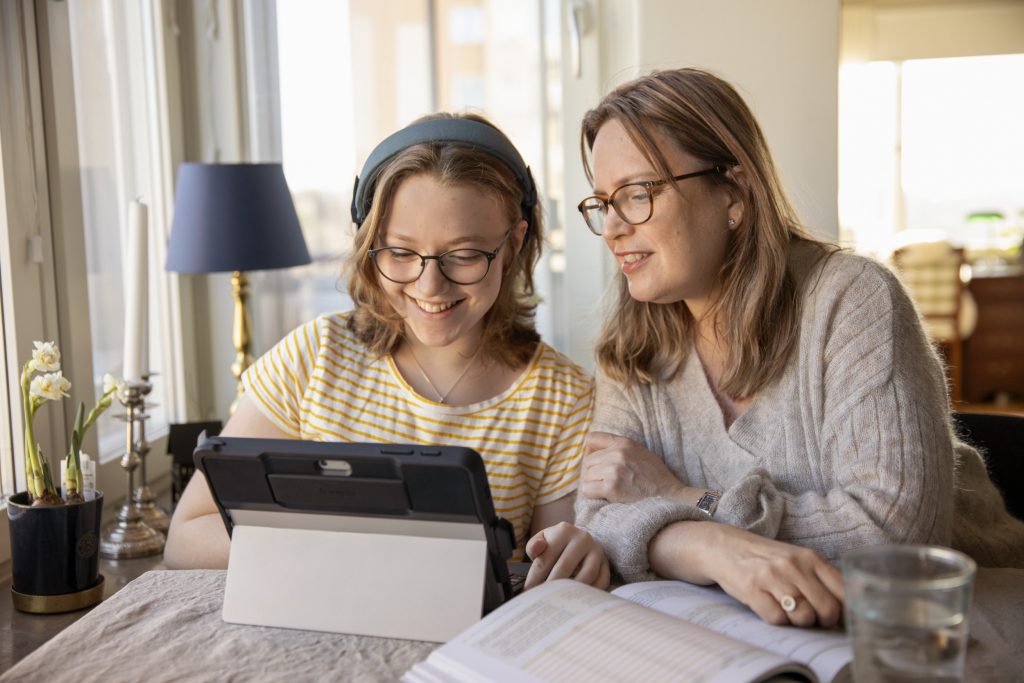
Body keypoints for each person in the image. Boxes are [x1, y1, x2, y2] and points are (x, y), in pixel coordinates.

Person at [573, 68, 1024, 627]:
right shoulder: (630, 345)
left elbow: (896, 536)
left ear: (733, 193)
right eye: (602, 202)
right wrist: (712, 549)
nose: (613, 226)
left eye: (638, 193)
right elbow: (597, 517)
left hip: (954, 620)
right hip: (767, 627)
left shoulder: (852, 300)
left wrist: (688, 501)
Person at [166, 113, 610, 591]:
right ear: (369, 242)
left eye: (463, 255)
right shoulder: (314, 357)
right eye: (400, 253)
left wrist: (576, 555)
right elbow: (186, 539)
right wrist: (345, 548)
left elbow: (546, 574)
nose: (429, 285)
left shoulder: (563, 398)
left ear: (514, 244)